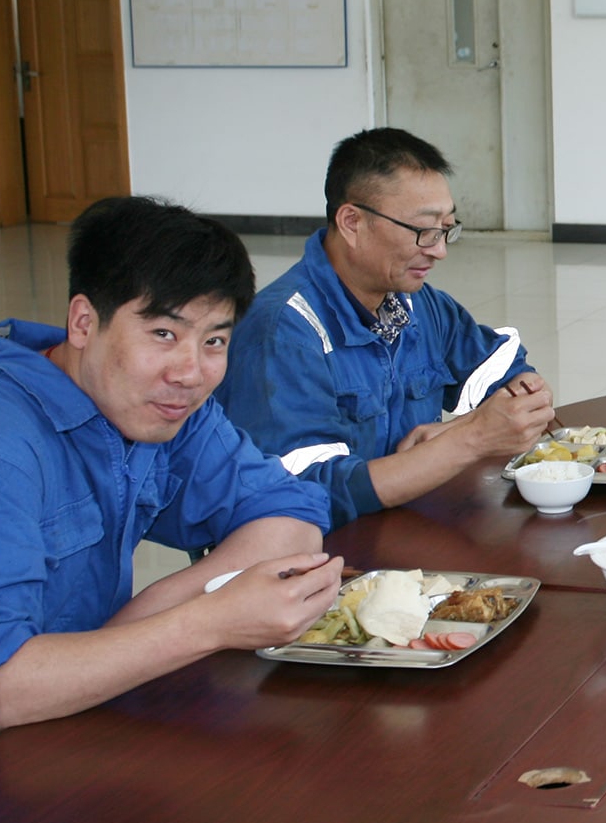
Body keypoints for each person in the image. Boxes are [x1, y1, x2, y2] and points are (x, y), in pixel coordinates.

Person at [0, 197, 344, 823]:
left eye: (215, 341)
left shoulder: (154, 406)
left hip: (65, 736)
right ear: (84, 322)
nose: (191, 373)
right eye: (163, 334)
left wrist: (160, 610)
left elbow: (288, 509)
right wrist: (204, 622)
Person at [216, 128, 555, 529]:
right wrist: (469, 439)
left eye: (447, 228)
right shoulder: (284, 332)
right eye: (423, 231)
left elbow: (520, 382)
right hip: (329, 547)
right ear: (352, 222)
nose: (439, 250)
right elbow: (308, 494)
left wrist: (453, 433)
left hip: (408, 524)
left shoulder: (416, 303)